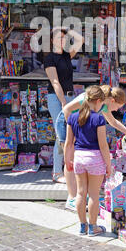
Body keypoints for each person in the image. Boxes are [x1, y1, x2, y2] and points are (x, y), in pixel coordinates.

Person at [56, 84, 126, 210]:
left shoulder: (103, 104)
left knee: (77, 159)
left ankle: (79, 195)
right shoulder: (91, 99)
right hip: (66, 123)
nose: (115, 111)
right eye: (117, 107)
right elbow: (67, 110)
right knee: (70, 158)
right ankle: (71, 197)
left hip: (77, 125)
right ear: (112, 100)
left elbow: (113, 122)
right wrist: (74, 129)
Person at [64, 85, 111, 236]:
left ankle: (82, 226)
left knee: (80, 193)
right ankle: (93, 227)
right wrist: (108, 165)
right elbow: (103, 146)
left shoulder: (72, 117)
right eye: (102, 103)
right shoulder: (99, 119)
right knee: (94, 195)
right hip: (95, 159)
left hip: (79, 157)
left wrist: (67, 160)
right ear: (98, 101)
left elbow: (68, 143)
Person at [43, 26, 83, 186]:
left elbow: (80, 40)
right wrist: (63, 102)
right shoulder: (49, 58)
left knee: (69, 134)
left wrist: (66, 29)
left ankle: (67, 169)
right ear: (52, 40)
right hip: (56, 98)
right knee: (61, 134)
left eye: (64, 38)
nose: (63, 40)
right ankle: (56, 172)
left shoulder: (67, 55)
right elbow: (54, 82)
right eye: (59, 38)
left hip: (69, 97)